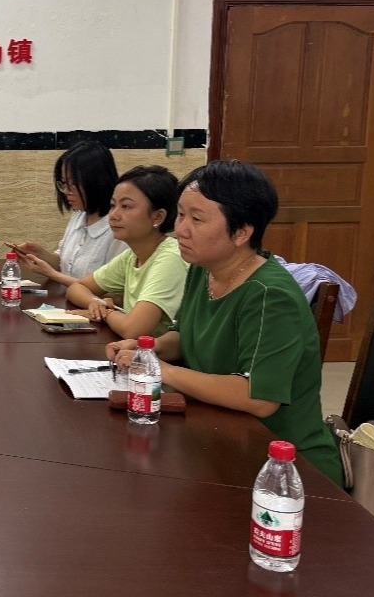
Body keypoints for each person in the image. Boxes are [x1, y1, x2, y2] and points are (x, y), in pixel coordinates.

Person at [107, 161, 344, 485]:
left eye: (197, 219)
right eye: (181, 215)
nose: (181, 229)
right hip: (219, 437)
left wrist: (162, 371)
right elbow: (186, 334)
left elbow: (258, 397)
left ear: (242, 232)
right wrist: (151, 349)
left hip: (283, 467)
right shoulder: (203, 268)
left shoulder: (269, 295)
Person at [65, 165, 188, 339]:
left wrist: (106, 313)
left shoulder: (171, 258)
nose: (113, 215)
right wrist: (96, 303)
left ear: (158, 217)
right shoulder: (132, 255)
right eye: (112, 205)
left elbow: (134, 330)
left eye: (126, 206)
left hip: (160, 354)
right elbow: (77, 288)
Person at [16, 140, 125, 286]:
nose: (66, 191)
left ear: (96, 181)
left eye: (73, 184)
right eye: (63, 183)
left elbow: (109, 290)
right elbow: (64, 264)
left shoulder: (118, 227)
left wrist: (51, 274)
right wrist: (41, 254)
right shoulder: (80, 214)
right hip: (67, 298)